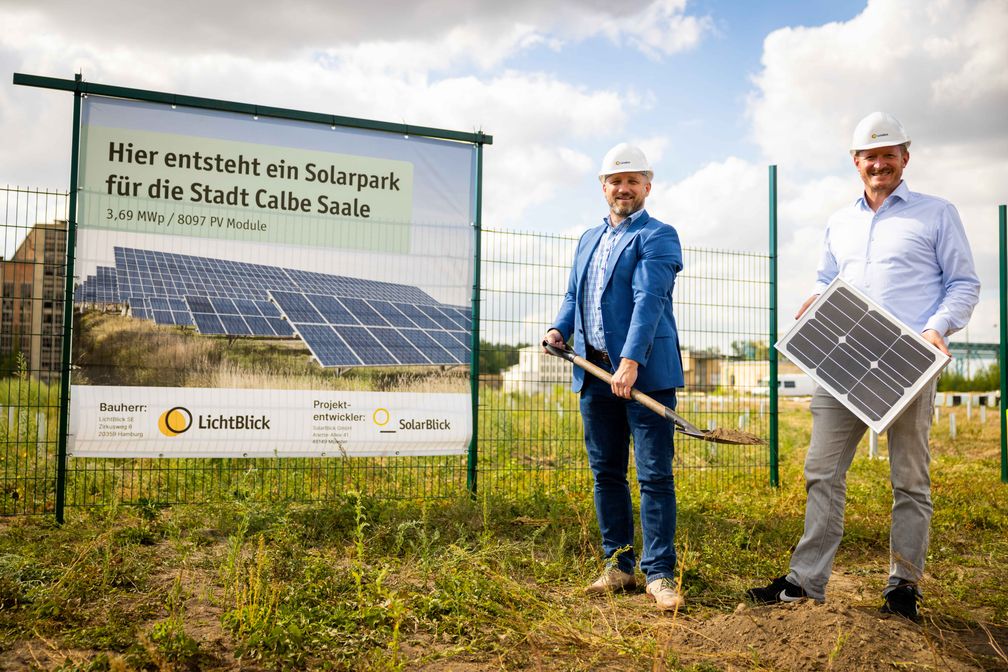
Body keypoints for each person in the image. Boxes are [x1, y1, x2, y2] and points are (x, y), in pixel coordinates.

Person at [746, 112, 980, 621]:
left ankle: (903, 587)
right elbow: (827, 278)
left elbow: (964, 284)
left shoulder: (937, 213)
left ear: (905, 159)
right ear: (856, 162)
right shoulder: (840, 220)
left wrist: (937, 328)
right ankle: (806, 583)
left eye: (888, 154)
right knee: (821, 471)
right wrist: (814, 301)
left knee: (910, 481)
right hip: (843, 368)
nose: (879, 163)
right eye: (869, 156)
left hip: (909, 364)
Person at [543, 142, 686, 612]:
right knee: (607, 473)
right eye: (615, 181)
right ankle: (620, 565)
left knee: (653, 475)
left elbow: (649, 302)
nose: (623, 188)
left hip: (642, 373)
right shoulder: (587, 238)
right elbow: (573, 295)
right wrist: (560, 328)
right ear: (603, 187)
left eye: (632, 181)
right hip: (593, 372)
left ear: (647, 186)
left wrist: (630, 362)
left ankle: (660, 572)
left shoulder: (658, 235)